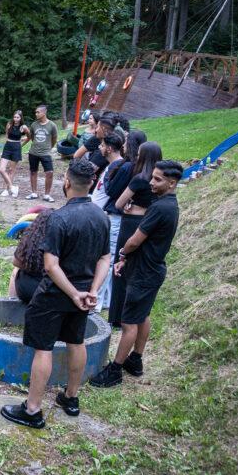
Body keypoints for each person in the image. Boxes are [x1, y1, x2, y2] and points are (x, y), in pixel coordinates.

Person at [0, 159, 110, 428]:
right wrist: (91, 291)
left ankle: (33, 409)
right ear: (92, 184)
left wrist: (73, 293)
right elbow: (105, 258)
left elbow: (51, 265)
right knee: (76, 342)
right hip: (84, 294)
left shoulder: (59, 218)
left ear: (67, 182)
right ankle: (71, 397)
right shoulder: (102, 217)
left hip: (54, 295)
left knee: (43, 349)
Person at [90, 160, 182, 387]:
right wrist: (127, 259)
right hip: (151, 269)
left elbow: (135, 240)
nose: (152, 182)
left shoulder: (160, 208)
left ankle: (115, 370)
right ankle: (136, 359)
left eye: (158, 179)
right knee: (142, 316)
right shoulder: (170, 204)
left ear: (172, 183)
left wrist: (122, 253)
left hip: (143, 273)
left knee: (129, 323)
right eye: (153, 177)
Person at [109, 141, 162, 327]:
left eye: (139, 154)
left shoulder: (140, 178)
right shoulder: (159, 182)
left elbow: (118, 204)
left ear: (144, 156)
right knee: (135, 267)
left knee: (121, 265)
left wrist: (129, 203)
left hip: (131, 223)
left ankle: (116, 316)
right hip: (148, 225)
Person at [89, 132, 128, 312]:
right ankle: (105, 300)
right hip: (102, 216)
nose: (100, 148)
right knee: (106, 258)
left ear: (110, 148)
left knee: (108, 259)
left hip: (110, 217)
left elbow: (109, 194)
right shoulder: (111, 165)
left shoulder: (118, 167)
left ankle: (96, 303)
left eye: (103, 145)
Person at [7, 208, 54, 303]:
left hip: (27, 289)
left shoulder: (31, 238)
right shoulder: (59, 239)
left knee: (16, 271)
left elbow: (16, 262)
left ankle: (12, 300)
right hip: (50, 290)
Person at [27, 105, 57, 202]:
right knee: (33, 171)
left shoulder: (52, 125)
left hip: (46, 153)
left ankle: (47, 195)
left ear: (44, 113)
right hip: (33, 152)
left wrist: (49, 147)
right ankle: (34, 193)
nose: (36, 114)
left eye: (38, 112)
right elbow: (32, 137)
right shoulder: (34, 125)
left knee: (49, 173)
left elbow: (54, 139)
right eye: (36, 112)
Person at [0, 110, 29, 197]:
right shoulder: (9, 124)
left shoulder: (23, 127)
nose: (16, 119)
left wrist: (22, 144)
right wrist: (6, 143)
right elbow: (6, 135)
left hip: (16, 147)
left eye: (17, 117)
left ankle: (6, 190)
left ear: (20, 118)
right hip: (7, 147)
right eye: (14, 117)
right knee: (1, 169)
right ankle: (12, 187)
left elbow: (29, 137)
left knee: (11, 170)